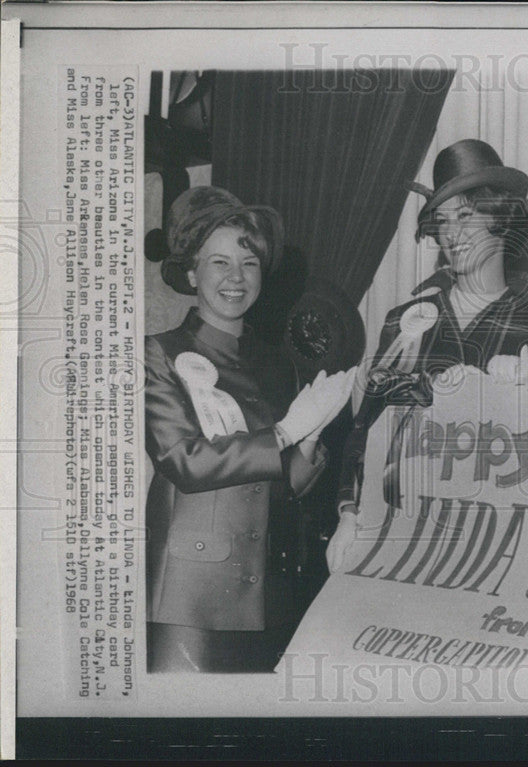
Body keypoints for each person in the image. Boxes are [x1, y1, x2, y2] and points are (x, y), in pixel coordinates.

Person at [326, 139, 528, 572]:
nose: (450, 234)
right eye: (441, 221)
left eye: (464, 216)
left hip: (500, 546)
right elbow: (367, 430)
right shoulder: (407, 321)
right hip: (407, 535)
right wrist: (350, 514)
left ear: (500, 218)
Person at [144, 186, 356, 672]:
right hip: (190, 595)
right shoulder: (160, 351)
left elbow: (286, 486)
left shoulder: (278, 364)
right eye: (219, 263)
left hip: (270, 593)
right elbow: (184, 460)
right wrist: (283, 434)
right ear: (192, 272)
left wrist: (311, 437)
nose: (236, 278)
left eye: (249, 264)